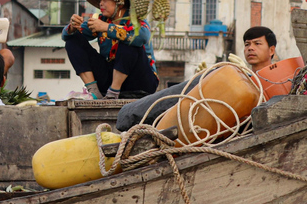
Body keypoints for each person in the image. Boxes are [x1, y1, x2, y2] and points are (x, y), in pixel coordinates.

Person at [116, 24, 278, 131]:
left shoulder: (278, 78)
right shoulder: (238, 74)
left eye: (257, 44)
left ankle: (131, 116)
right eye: (247, 44)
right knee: (196, 85)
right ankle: (131, 115)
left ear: (271, 50)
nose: (250, 48)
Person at [62, 0, 158, 100]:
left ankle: (113, 92)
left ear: (120, 2)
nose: (101, 3)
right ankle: (94, 91)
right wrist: (72, 27)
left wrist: (108, 28)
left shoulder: (135, 20)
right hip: (109, 79)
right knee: (72, 41)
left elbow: (142, 37)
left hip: (140, 82)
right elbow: (66, 36)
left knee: (128, 40)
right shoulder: (101, 20)